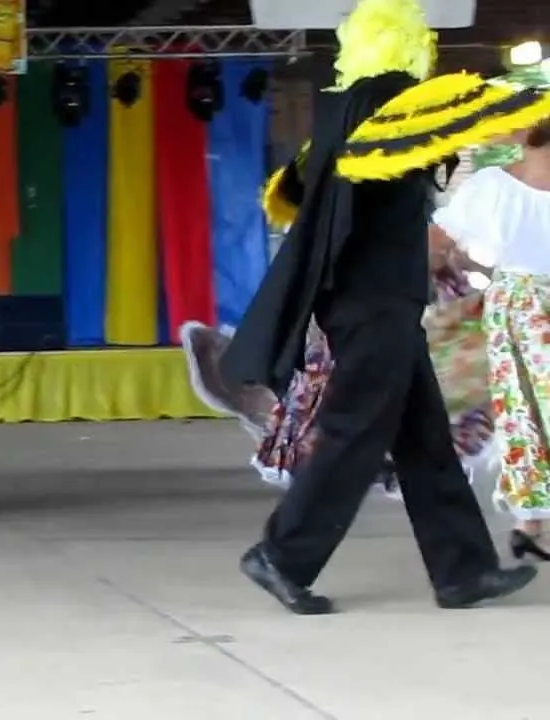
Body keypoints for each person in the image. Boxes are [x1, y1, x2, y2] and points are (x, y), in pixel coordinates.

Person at [219, 0, 536, 614]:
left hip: (369, 296)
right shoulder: (396, 102)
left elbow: (323, 195)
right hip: (376, 299)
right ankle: (282, 555)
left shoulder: (345, 114)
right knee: (354, 433)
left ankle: (462, 570)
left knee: (422, 438)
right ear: (410, 46)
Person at [182, 162, 496, 500]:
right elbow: (429, 247)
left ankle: (344, 453)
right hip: (372, 303)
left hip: (386, 305)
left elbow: (433, 249)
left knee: (378, 389)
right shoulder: (371, 197)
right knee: (348, 388)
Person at [431, 118, 550, 561]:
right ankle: (528, 521)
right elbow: (441, 242)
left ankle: (529, 523)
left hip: (514, 305)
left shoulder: (491, 187)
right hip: (523, 308)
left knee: (521, 411)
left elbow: (440, 242)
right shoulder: (491, 186)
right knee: (524, 411)